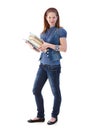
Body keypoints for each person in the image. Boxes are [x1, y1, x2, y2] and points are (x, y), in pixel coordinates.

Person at [26, 7, 67, 125]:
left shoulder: (61, 31)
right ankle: (40, 116)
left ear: (57, 17)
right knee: (36, 90)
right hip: (42, 65)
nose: (52, 19)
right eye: (49, 17)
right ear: (46, 18)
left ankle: (54, 116)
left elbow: (64, 48)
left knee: (56, 93)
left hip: (54, 66)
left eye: (54, 17)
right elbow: (42, 50)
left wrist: (48, 44)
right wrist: (33, 47)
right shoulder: (43, 32)